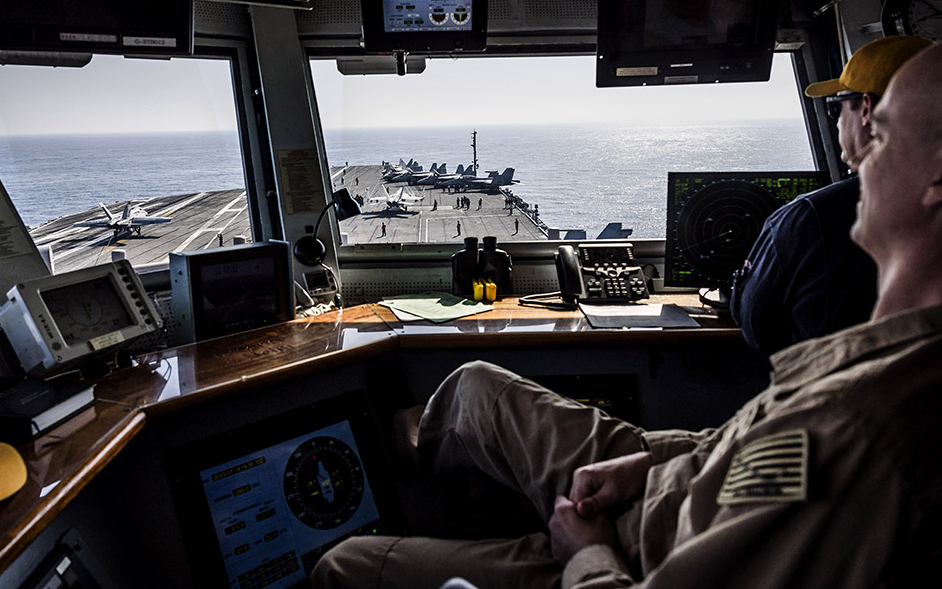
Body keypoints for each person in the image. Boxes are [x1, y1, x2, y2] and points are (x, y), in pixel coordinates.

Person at [314, 44, 942, 588]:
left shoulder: (867, 431)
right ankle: (399, 450)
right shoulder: (881, 361)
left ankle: (389, 481)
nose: (856, 172)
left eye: (881, 136)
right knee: (478, 382)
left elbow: (771, 388)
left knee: (345, 566)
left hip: (633, 556)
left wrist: (584, 552)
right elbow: (758, 447)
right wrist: (650, 460)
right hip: (665, 480)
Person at [730, 35, 933, 353]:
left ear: (865, 108)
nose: (838, 122)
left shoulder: (807, 217)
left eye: (836, 107)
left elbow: (758, 329)